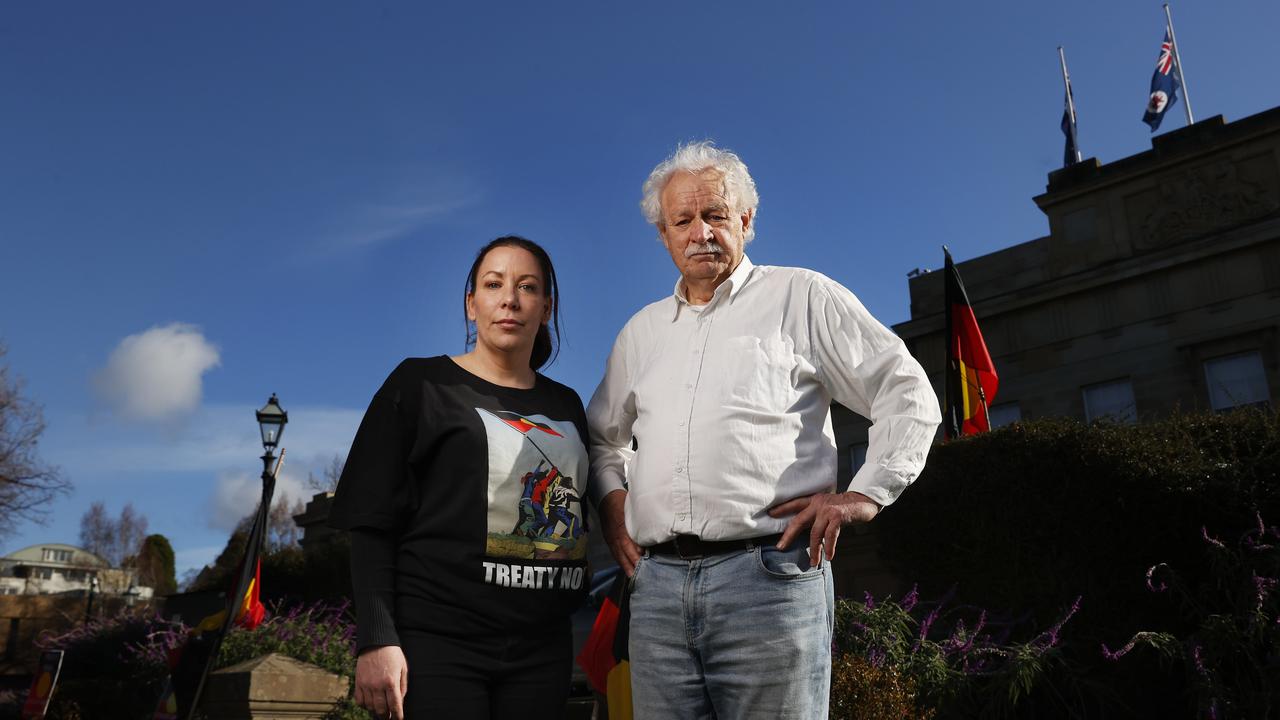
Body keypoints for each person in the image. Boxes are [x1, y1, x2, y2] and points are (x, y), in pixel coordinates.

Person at [587, 142, 942, 719]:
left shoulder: (800, 296)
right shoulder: (640, 333)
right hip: (656, 592)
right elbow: (603, 438)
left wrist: (867, 492)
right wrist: (612, 502)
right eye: (683, 220)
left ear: (746, 220)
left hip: (769, 580)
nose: (700, 232)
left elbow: (904, 388)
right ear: (664, 235)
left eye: (715, 215)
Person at [329, 236, 591, 720]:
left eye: (527, 287)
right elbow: (370, 522)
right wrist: (377, 639)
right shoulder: (420, 384)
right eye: (494, 285)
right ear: (473, 304)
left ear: (546, 307)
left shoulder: (568, 406)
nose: (509, 299)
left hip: (543, 650)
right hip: (440, 645)